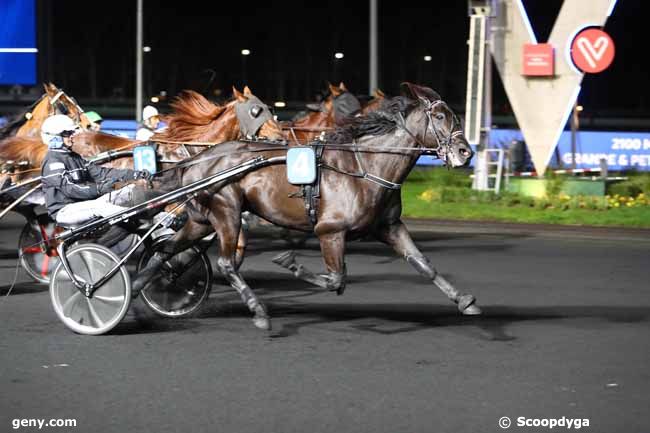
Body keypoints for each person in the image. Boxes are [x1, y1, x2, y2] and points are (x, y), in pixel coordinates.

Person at [40, 114, 152, 227]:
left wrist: (133, 174)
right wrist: (99, 189)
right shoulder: (52, 161)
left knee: (129, 191)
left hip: (84, 205)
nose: (71, 136)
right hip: (64, 211)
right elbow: (70, 189)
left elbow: (102, 173)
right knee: (102, 207)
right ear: (53, 137)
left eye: (71, 133)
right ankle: (136, 220)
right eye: (66, 133)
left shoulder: (75, 157)